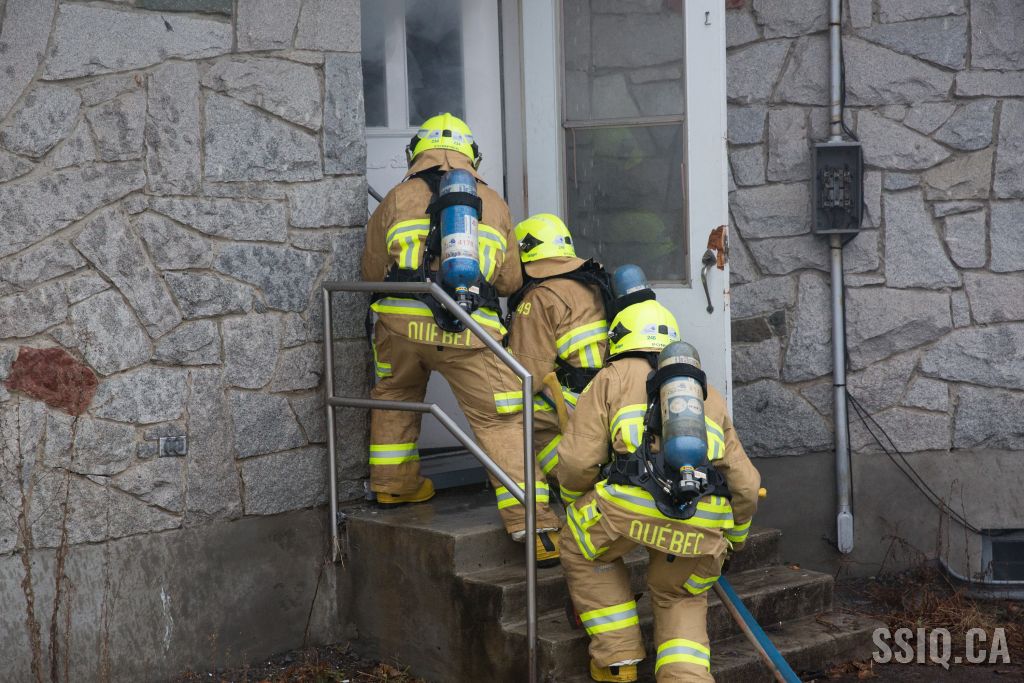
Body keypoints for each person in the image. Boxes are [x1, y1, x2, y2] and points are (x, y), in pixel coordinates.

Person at [361, 113, 561, 565]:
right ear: (473, 158)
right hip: (469, 330)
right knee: (501, 421)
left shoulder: (396, 198)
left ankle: (395, 487)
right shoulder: (493, 202)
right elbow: (509, 282)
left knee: (395, 394)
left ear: (416, 153)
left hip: (399, 326)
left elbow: (371, 269)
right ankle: (534, 526)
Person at [557, 289, 761, 682]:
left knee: (581, 545)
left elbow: (577, 462)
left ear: (617, 339)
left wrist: (573, 500)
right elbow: (747, 486)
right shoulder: (707, 395)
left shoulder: (610, 378)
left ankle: (618, 661)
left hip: (628, 509)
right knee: (679, 594)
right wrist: (733, 540)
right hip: (702, 520)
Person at [504, 213, 612, 483]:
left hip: (571, 402)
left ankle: (564, 480)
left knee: (502, 416)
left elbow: (527, 376)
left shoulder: (541, 298)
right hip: (605, 396)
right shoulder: (594, 284)